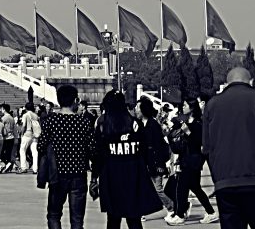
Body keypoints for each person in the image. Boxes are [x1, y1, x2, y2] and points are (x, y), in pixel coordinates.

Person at [203, 66, 255, 229]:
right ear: (251, 81)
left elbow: (206, 147)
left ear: (226, 83)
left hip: (225, 182)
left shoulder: (212, 105)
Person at [92, 91, 164, 229]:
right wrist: (152, 169)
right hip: (133, 175)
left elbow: (98, 155)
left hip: (111, 176)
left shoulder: (103, 126)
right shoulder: (135, 124)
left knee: (113, 219)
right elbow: (145, 150)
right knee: (134, 218)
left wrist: (94, 179)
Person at [37, 84, 96, 229]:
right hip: (78, 174)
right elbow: (93, 150)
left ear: (58, 100)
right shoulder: (84, 122)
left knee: (54, 215)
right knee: (77, 219)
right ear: (75, 100)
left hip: (57, 175)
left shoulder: (51, 121)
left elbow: (40, 146)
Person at [136, 97, 173, 216]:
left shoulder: (153, 125)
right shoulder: (141, 125)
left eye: (137, 107)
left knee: (158, 190)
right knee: (144, 188)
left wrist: (160, 164)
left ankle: (173, 207)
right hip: (146, 162)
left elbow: (159, 146)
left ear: (143, 110)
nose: (135, 110)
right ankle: (141, 211)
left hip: (155, 163)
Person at [20, 103, 40, 174]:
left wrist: (21, 134)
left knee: (22, 150)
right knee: (34, 152)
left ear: (26, 108)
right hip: (34, 135)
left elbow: (24, 125)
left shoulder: (25, 115)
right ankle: (35, 168)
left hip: (27, 134)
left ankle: (23, 167)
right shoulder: (36, 115)